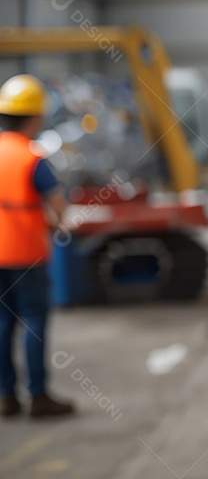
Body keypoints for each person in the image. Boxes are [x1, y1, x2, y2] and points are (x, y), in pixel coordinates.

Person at [0, 74, 74, 419]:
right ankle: (38, 396)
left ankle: (5, 396)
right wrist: (58, 222)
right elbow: (56, 202)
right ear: (35, 117)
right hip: (26, 255)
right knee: (33, 321)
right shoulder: (32, 156)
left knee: (2, 323)